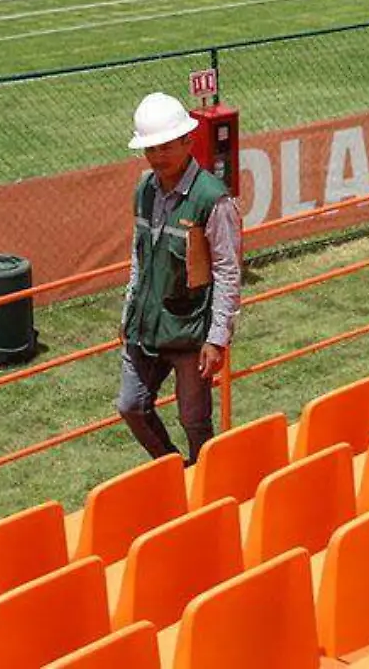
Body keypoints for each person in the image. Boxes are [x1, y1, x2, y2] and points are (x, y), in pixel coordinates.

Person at [115, 93, 243, 464]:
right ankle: (176, 470)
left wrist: (217, 338)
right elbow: (139, 258)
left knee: (194, 421)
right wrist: (129, 312)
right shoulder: (144, 191)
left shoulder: (212, 200)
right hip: (146, 327)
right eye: (150, 149)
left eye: (165, 146)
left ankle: (206, 486)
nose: (157, 156)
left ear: (188, 141)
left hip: (190, 332)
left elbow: (227, 271)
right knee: (131, 405)